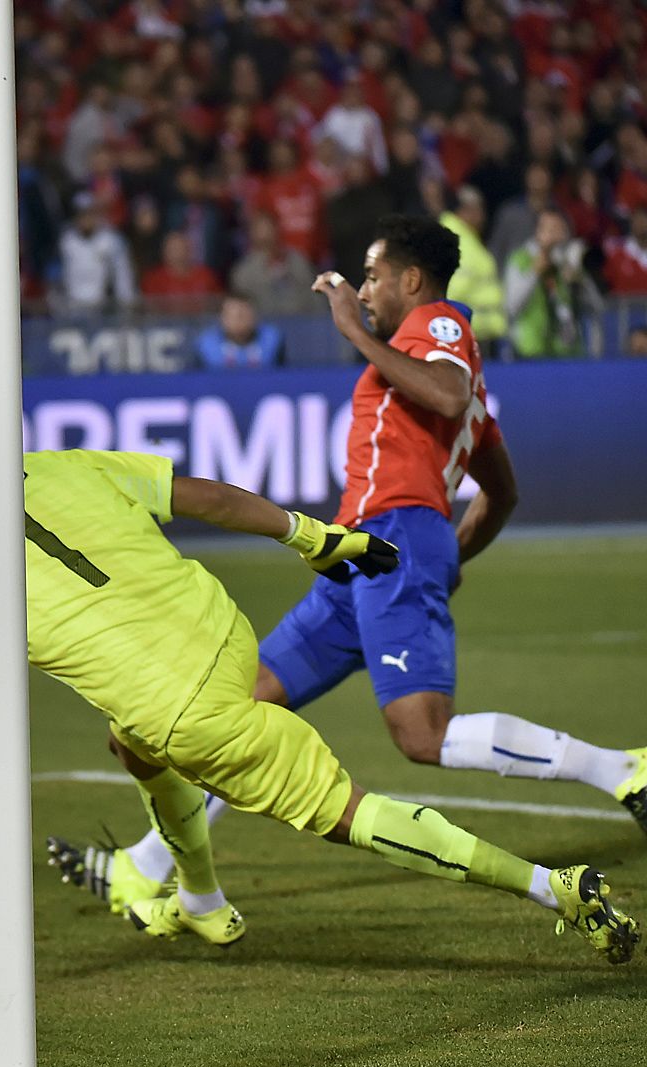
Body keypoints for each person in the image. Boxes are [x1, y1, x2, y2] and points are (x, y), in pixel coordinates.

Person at [0, 392, 634, 961]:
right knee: (130, 745)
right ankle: (199, 896)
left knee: (352, 815)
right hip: (230, 640)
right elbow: (206, 496)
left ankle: (552, 888)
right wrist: (317, 538)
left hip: (187, 715)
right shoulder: (67, 466)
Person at [48, 214, 647, 914]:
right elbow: (500, 489)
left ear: (411, 280)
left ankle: (621, 769)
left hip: (392, 535)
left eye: (372, 275)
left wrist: (357, 337)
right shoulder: (446, 383)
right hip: (366, 556)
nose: (362, 290)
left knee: (422, 735)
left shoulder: (439, 331)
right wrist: (449, 553)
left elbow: (449, 394)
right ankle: (146, 869)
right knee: (239, 710)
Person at [504, 208, 603, 359]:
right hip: (530, 352)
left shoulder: (568, 261)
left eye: (559, 229)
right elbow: (511, 306)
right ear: (537, 231)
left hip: (568, 353)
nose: (554, 236)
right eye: (549, 229)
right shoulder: (521, 259)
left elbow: (597, 307)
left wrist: (580, 282)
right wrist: (535, 272)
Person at [437, 186, 508, 353]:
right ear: (467, 210)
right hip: (467, 337)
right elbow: (450, 294)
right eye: (480, 209)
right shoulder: (457, 242)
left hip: (475, 334)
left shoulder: (465, 239)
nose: (483, 215)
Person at [56, 192, 136, 314]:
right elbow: (57, 278)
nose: (86, 219)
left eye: (90, 214)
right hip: (72, 309)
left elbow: (123, 277)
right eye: (82, 214)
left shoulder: (111, 240)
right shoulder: (66, 241)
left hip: (104, 309)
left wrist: (126, 308)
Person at [228, 212, 317, 315]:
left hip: (304, 324)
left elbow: (316, 299)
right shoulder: (243, 273)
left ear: (278, 230)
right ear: (251, 234)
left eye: (268, 227)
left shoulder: (298, 262)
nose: (265, 234)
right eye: (259, 229)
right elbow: (240, 309)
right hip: (261, 326)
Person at [194, 293, 284, 370]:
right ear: (222, 318)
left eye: (244, 315)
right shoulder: (206, 343)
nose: (239, 321)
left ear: (255, 316)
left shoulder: (272, 339)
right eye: (234, 316)